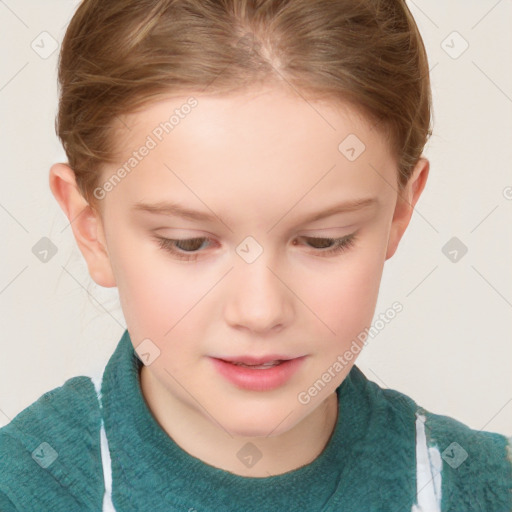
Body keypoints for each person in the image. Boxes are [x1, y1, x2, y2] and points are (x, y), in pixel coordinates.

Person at [1, 0, 510, 510]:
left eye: (323, 240)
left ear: (400, 212)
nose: (260, 311)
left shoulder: (485, 489)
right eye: (189, 243)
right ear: (91, 229)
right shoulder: (21, 488)